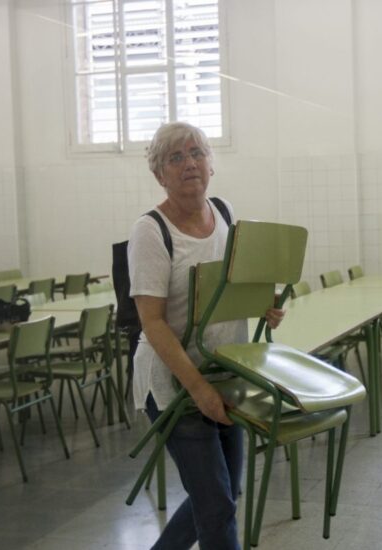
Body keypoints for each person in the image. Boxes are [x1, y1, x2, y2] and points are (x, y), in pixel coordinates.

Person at [128, 121, 283, 550]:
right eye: (174, 158)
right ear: (160, 174)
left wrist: (262, 302)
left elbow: (229, 286)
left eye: (196, 153)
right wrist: (197, 390)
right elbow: (152, 322)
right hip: (172, 382)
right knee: (215, 507)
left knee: (222, 494)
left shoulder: (225, 213)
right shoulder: (150, 232)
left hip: (222, 372)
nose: (189, 164)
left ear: (211, 164)